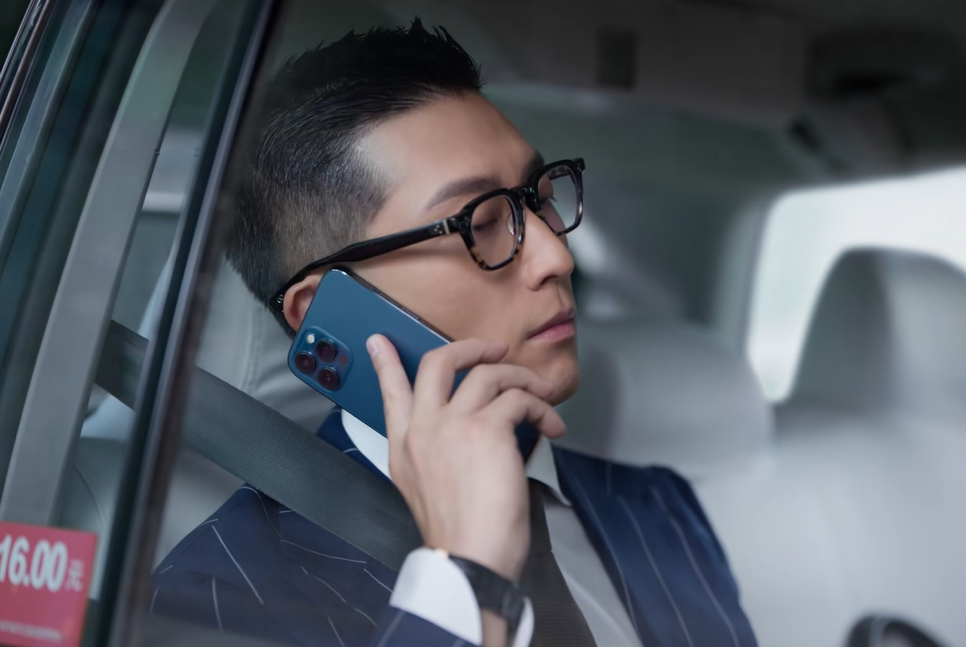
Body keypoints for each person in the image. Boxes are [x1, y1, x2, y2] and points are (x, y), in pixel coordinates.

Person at [151, 20, 758, 647]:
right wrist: (467, 578)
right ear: (325, 309)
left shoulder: (657, 507)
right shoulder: (220, 596)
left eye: (538, 198)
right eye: (480, 222)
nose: (557, 256)